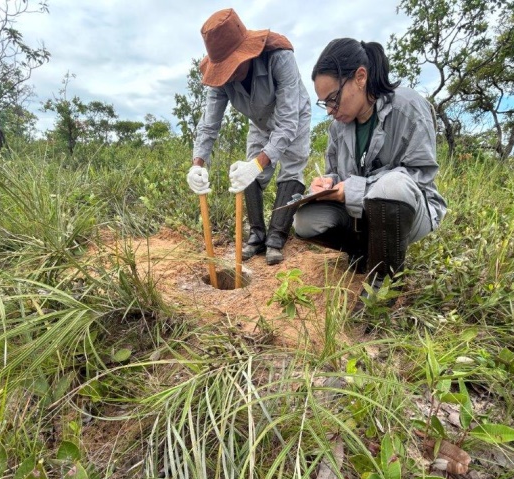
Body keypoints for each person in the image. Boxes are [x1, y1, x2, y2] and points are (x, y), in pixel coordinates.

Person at [294, 38, 446, 312]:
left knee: (391, 187)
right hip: (361, 215)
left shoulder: (409, 107)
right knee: (306, 221)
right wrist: (328, 183)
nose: (329, 110)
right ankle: (365, 250)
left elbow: (420, 175)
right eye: (324, 104)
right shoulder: (338, 128)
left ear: (360, 77)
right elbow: (338, 174)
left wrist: (353, 188)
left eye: (332, 99)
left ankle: (382, 287)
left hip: (408, 210)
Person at [186, 8, 311, 265]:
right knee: (247, 170)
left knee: (290, 170)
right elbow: (209, 125)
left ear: (248, 53)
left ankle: (276, 238)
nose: (229, 75)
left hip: (293, 118)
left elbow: (287, 123)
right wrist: (197, 164)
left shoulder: (279, 57)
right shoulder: (220, 80)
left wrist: (258, 164)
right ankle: (256, 235)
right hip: (259, 122)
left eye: (233, 66)